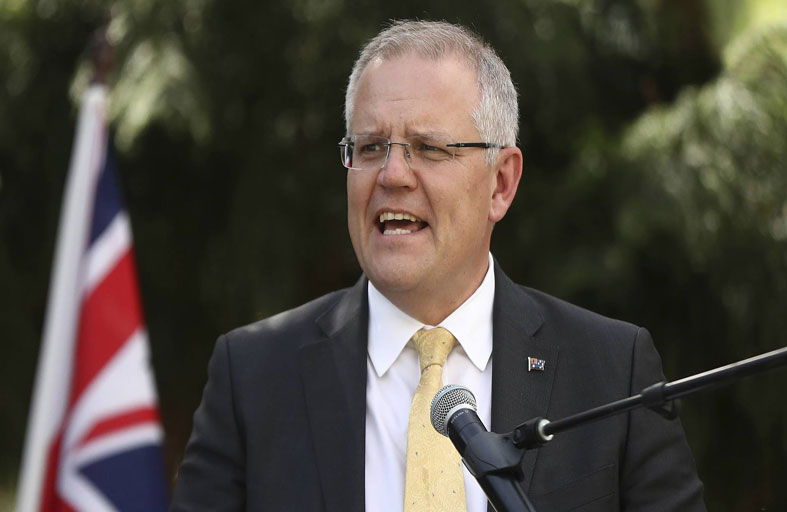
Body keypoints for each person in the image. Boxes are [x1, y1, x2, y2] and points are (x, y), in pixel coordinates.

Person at [170, 20, 705, 511]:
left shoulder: (612, 371)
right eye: (371, 147)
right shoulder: (252, 376)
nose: (392, 175)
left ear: (501, 183)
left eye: (428, 148)